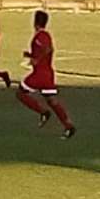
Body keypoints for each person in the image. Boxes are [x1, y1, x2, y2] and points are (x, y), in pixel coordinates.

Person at [16, 10, 76, 139]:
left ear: (35, 22)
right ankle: (68, 126)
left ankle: (43, 112)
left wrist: (37, 59)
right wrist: (30, 55)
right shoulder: (43, 35)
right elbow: (44, 50)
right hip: (47, 73)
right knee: (52, 100)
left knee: (21, 93)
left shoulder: (41, 36)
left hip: (40, 74)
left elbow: (48, 49)